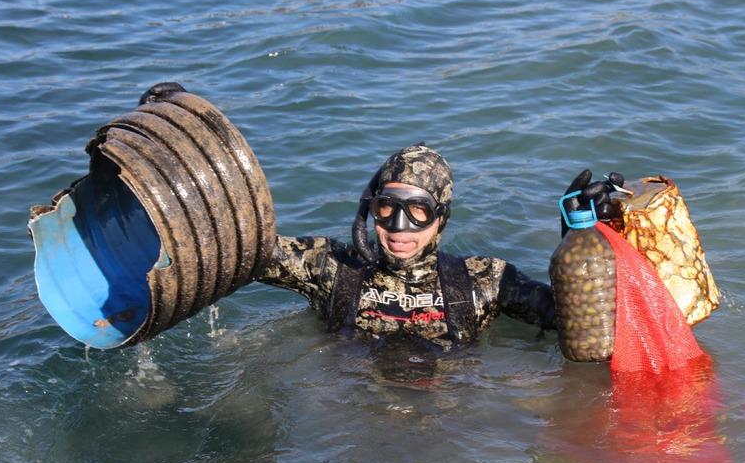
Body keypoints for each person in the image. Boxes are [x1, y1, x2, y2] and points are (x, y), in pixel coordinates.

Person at [251, 143, 621, 350]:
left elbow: (586, 327)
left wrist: (584, 238)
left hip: (449, 423)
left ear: (441, 217)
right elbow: (243, 252)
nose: (398, 228)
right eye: (386, 208)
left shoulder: (485, 281)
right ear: (369, 210)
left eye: (418, 211)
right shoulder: (330, 267)